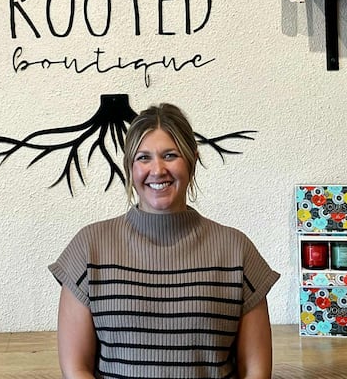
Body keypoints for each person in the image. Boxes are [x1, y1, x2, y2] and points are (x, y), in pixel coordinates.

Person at [49, 103, 279, 379]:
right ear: (130, 168)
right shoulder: (88, 249)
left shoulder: (237, 251)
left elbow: (255, 371)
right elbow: (76, 369)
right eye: (143, 158)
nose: (157, 170)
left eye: (170, 155)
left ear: (192, 160)